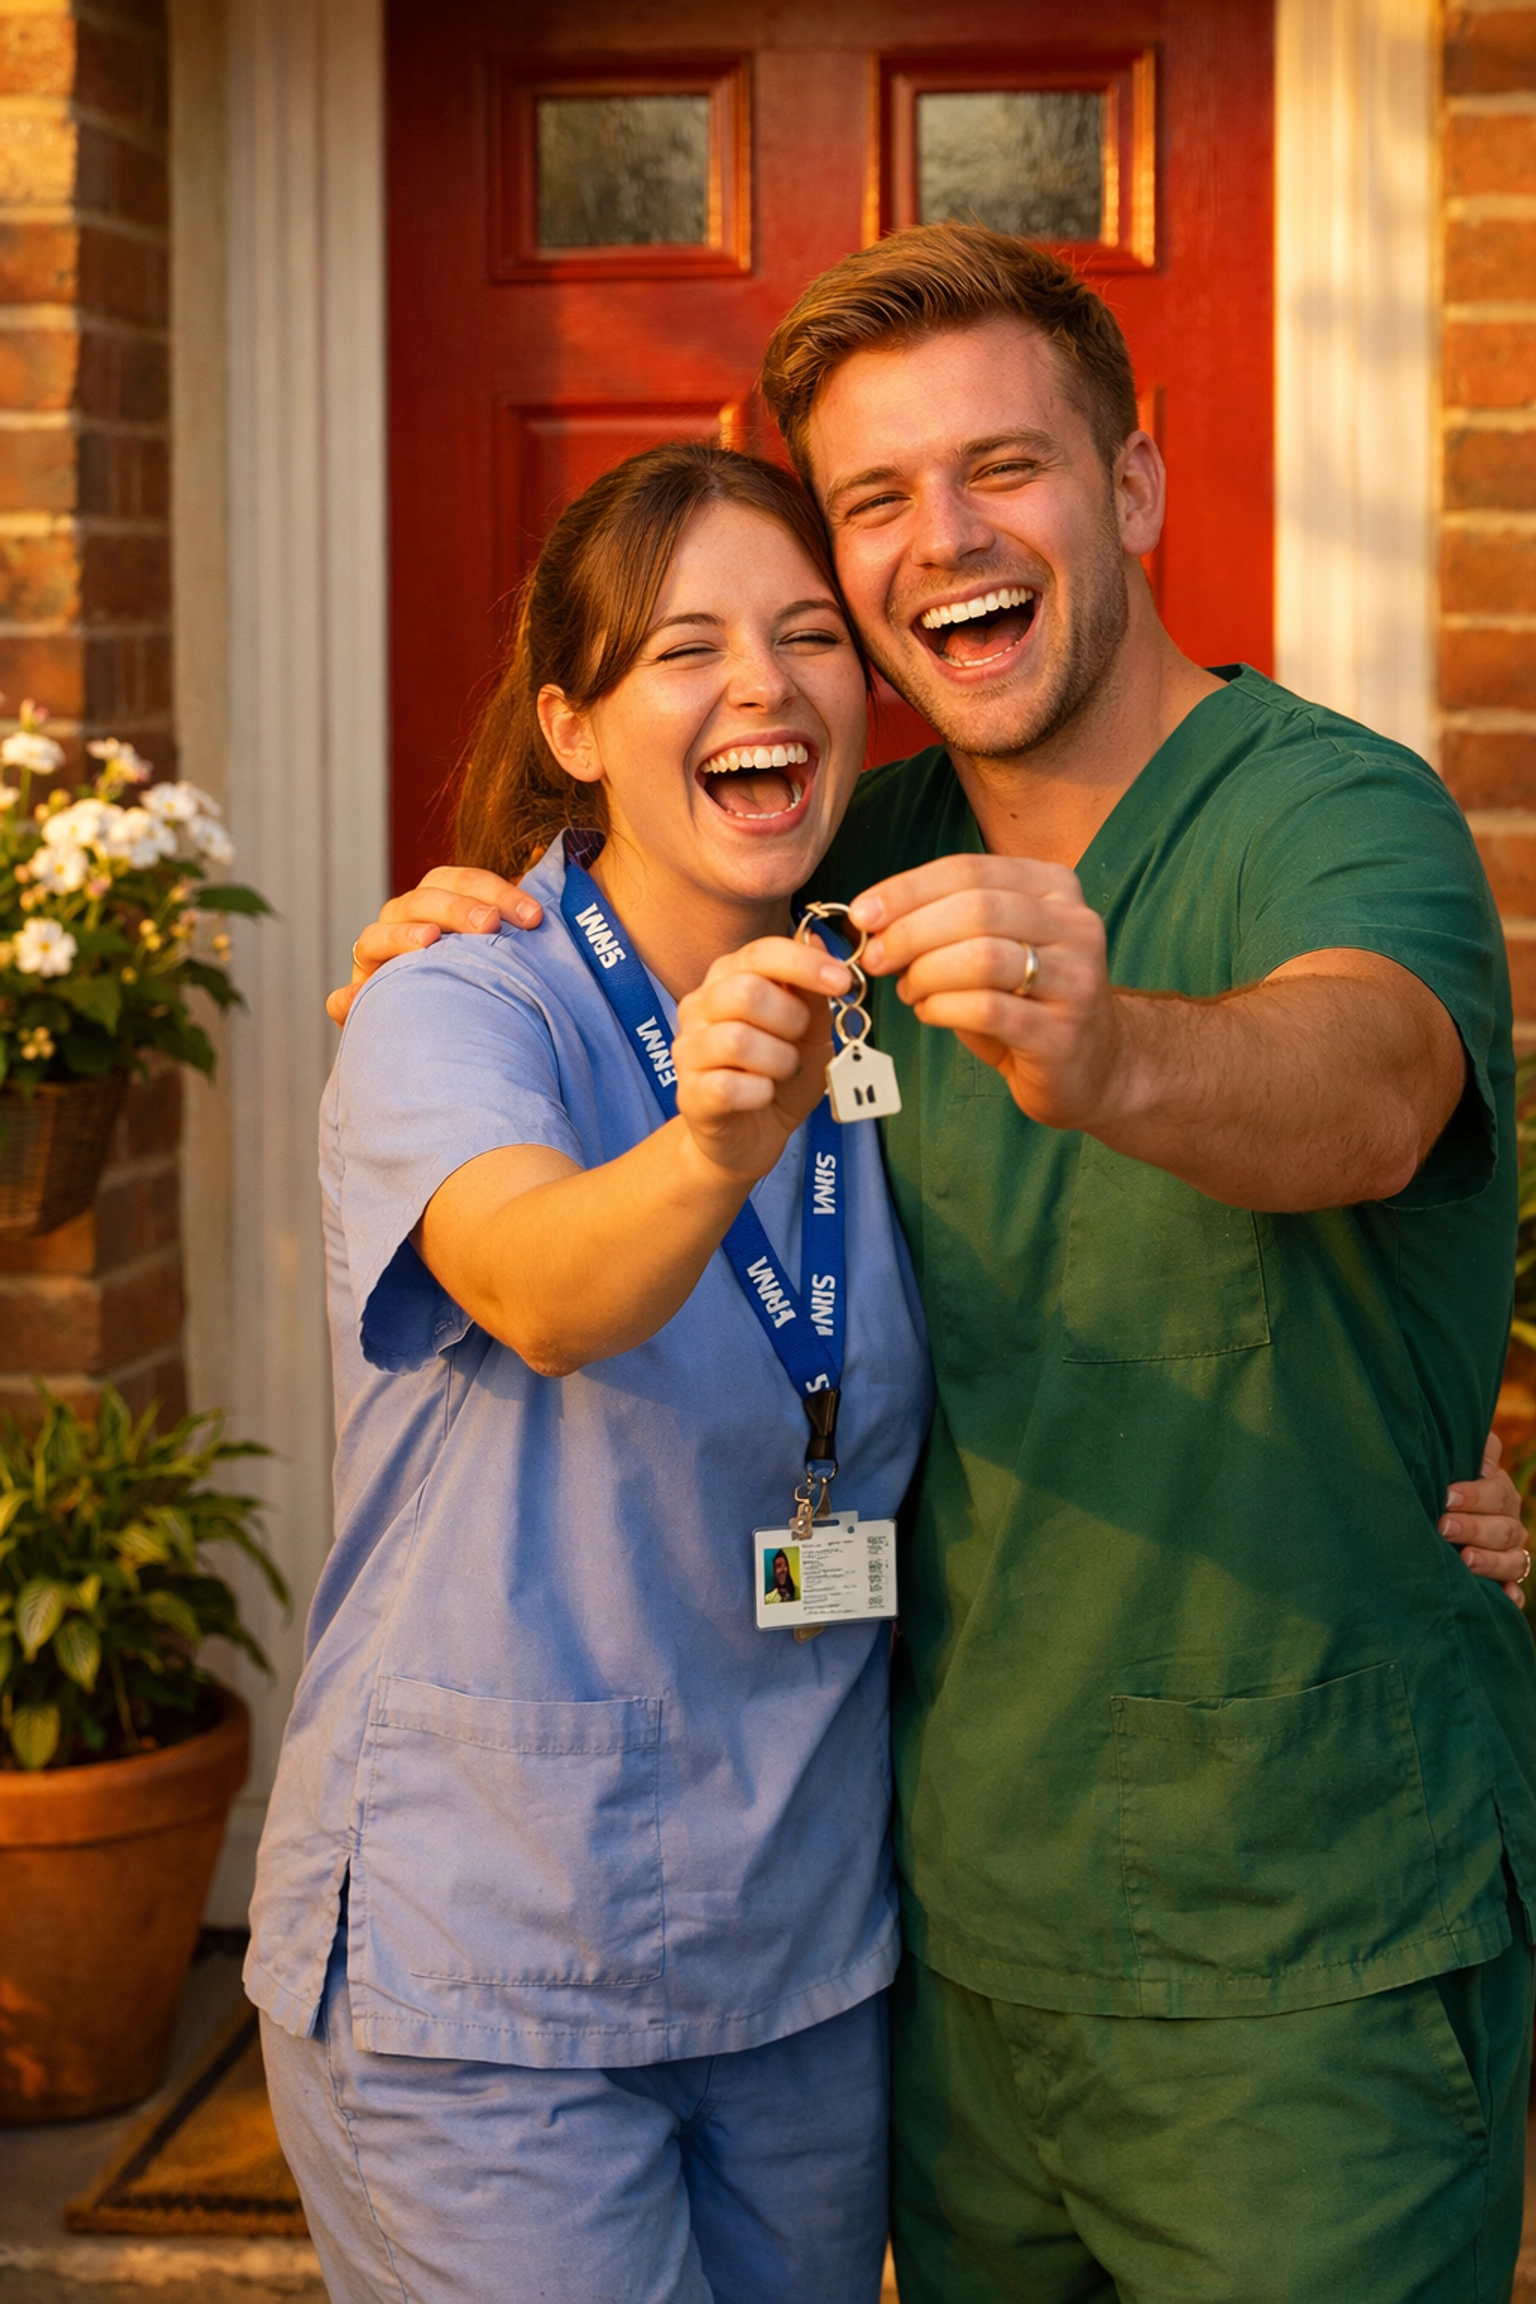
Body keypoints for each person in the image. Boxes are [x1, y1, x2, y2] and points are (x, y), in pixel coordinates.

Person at [335, 227, 1536, 2302]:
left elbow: (1370, 1087)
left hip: (1305, 1961)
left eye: (1006, 467)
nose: (944, 538)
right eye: (876, 499)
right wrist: (459, 931)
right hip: (944, 1965)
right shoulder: (840, 863)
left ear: (1133, 486)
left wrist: (1117, 1050)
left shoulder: (1335, 813)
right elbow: (618, 955)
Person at [246, 442, 935, 2304]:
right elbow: (538, 1285)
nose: (761, 685)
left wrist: (1421, 1479)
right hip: (483, 1973)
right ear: (572, 726)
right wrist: (711, 1145)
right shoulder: (460, 998)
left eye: (808, 635)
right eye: (685, 649)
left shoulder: (889, 1000)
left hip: (799, 1969)